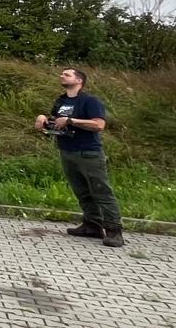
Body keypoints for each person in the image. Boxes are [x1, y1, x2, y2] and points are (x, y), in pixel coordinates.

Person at [36, 68, 123, 247]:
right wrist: (44, 119)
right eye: (62, 74)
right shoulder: (62, 100)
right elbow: (56, 119)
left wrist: (72, 121)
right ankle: (92, 225)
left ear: (79, 80)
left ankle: (114, 231)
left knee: (101, 191)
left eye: (67, 74)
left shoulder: (90, 101)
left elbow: (99, 125)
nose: (62, 76)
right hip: (67, 151)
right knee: (82, 192)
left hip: (88, 152)